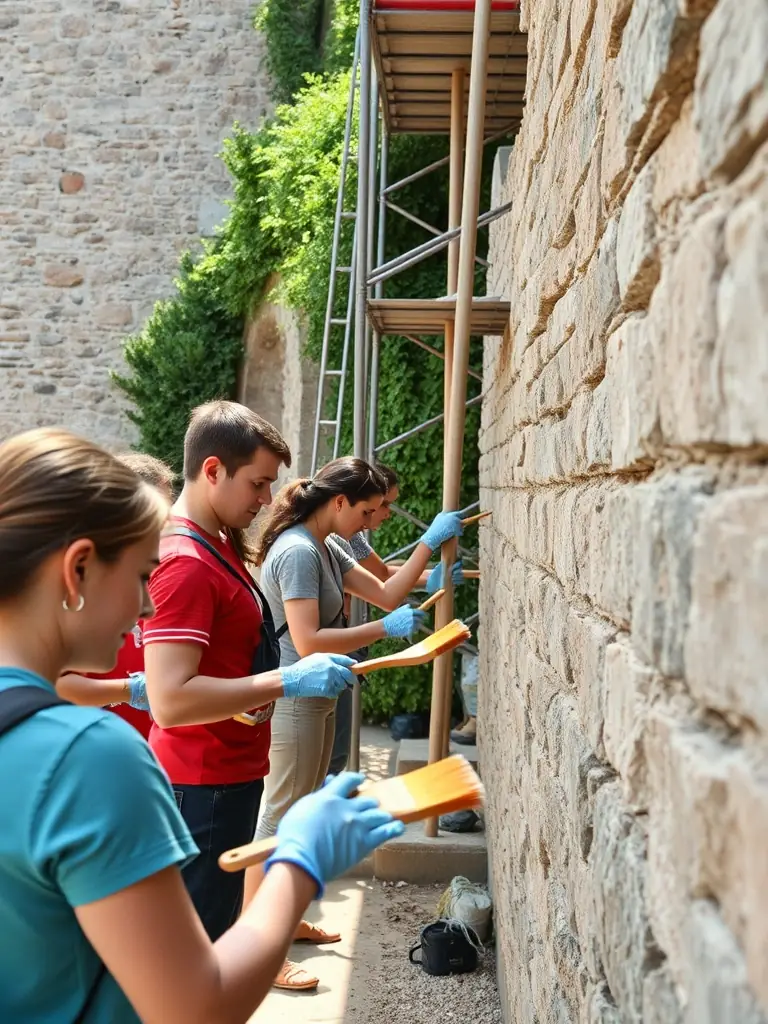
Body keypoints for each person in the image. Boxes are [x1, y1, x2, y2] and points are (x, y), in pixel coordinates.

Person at [0, 426, 403, 1024]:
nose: (145, 607)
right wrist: (300, 863)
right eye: (140, 576)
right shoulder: (91, 756)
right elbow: (196, 1004)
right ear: (78, 568)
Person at [140, 401, 359, 989]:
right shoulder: (185, 561)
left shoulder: (216, 543)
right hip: (202, 785)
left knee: (212, 943)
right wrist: (287, 678)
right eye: (258, 483)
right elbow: (170, 699)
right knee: (204, 962)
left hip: (225, 773)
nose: (267, 500)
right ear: (212, 470)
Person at [239, 456, 464, 979]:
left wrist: (431, 551)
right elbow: (307, 640)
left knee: (301, 814)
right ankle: (258, 946)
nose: (370, 523)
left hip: (319, 694)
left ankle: (287, 921)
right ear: (338, 502)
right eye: (367, 511)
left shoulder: (328, 543)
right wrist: (383, 632)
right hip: (295, 695)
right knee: (276, 819)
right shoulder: (297, 551)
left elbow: (386, 592)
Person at [328, 463, 466, 774]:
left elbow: (382, 577)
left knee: (333, 758)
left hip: (338, 652)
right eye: (382, 505)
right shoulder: (328, 539)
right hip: (323, 654)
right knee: (321, 765)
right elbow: (384, 592)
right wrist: (428, 544)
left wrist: (433, 575)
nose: (386, 513)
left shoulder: (347, 537)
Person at [56, 452, 176, 739]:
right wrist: (134, 690)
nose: (167, 521)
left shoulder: (160, 567)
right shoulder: (84, 582)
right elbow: (60, 686)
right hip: (100, 746)